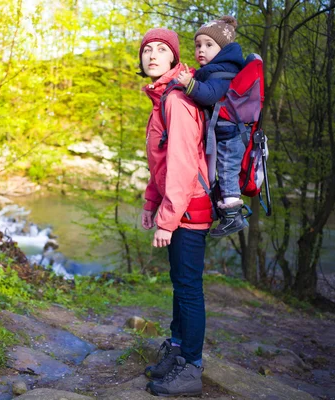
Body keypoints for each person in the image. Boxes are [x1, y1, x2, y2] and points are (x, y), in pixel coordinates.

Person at [139, 28, 212, 397]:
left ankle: (192, 367)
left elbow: (183, 166)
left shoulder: (176, 101)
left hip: (188, 209)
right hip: (178, 207)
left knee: (188, 289)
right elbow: (161, 163)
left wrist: (166, 219)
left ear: (173, 58)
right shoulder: (162, 98)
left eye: (160, 50)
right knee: (180, 285)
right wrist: (151, 203)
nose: (152, 55)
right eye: (146, 50)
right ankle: (178, 349)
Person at [176, 16, 246, 238]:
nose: (201, 50)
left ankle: (233, 216)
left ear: (223, 49)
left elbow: (210, 95)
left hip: (230, 133)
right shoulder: (216, 68)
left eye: (208, 45)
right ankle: (224, 211)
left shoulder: (223, 70)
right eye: (198, 45)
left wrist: (190, 85)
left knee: (227, 170)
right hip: (224, 131)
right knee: (221, 171)